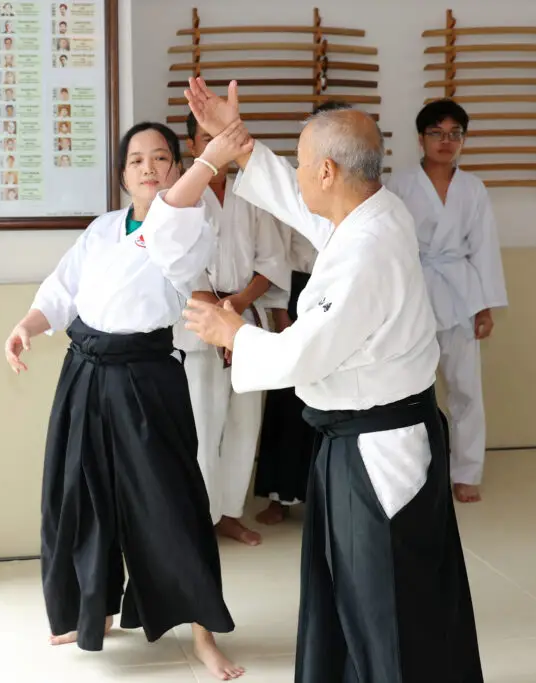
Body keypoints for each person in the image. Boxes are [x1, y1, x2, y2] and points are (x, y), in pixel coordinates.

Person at [170, 77, 484, 683]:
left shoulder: (365, 251)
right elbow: (299, 203)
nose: (297, 174)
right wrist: (239, 146)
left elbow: (301, 355)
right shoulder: (370, 211)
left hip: (378, 452)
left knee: (382, 603)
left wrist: (230, 331)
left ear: (329, 172)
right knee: (361, 599)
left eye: (303, 164)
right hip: (372, 438)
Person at [4, 121, 242, 681]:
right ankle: (94, 612)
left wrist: (211, 157)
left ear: (178, 170)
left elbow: (170, 223)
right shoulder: (102, 229)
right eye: (137, 160)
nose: (150, 168)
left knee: (171, 504)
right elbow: (61, 293)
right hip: (84, 374)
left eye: (163, 158)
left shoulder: (189, 222)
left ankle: (203, 633)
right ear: (121, 175)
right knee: (81, 497)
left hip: (146, 379)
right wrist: (25, 326)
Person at [384, 99, 507, 504]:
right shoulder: (399, 185)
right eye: (437, 133)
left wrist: (484, 306)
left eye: (455, 134)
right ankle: (412, 470)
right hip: (413, 292)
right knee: (410, 388)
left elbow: (485, 248)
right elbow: (389, 246)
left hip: (459, 292)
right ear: (420, 139)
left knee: (466, 389)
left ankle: (467, 471)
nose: (446, 141)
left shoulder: (472, 189)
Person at [178, 111, 290, 546]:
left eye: (223, 138)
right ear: (193, 147)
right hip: (197, 320)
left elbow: (272, 261)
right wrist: (218, 313)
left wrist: (239, 307)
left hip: (246, 316)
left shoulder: (252, 193)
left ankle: (229, 513)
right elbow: (177, 266)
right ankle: (200, 519)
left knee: (245, 424)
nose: (216, 147)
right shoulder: (180, 195)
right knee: (203, 427)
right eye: (207, 140)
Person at [252, 101, 348, 526]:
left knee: (334, 395)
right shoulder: (299, 180)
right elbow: (275, 250)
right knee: (288, 401)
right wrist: (278, 313)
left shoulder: (362, 187)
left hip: (340, 290)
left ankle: (322, 495)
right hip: (296, 289)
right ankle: (279, 494)